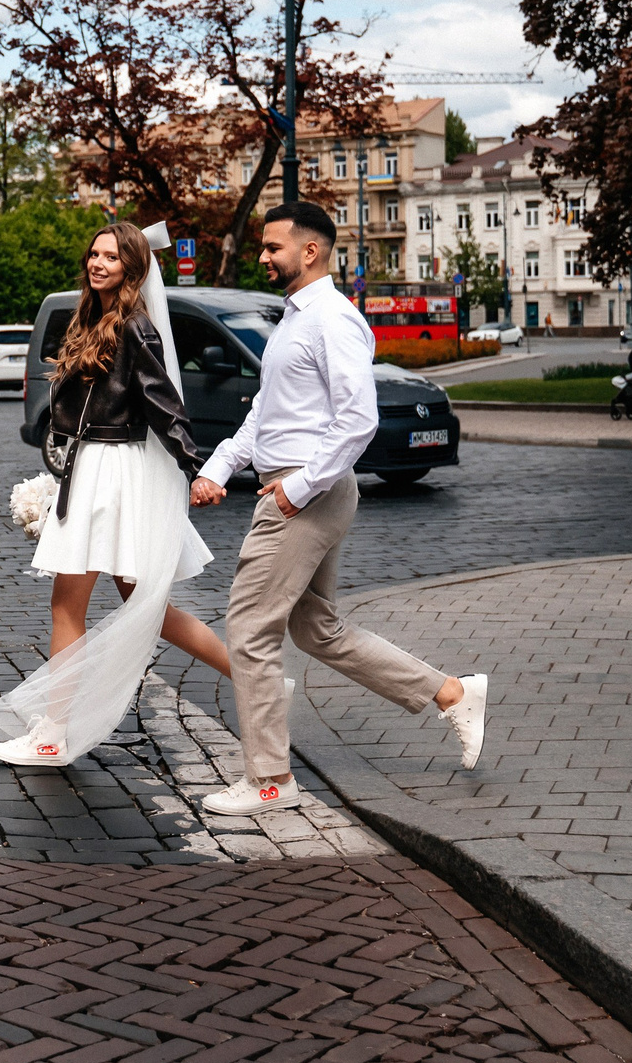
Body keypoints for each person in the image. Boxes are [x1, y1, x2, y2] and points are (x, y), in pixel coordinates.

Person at [190, 203, 487, 814]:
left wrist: (298, 489)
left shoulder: (334, 320)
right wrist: (219, 467)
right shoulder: (294, 320)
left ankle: (270, 780)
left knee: (248, 630)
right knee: (315, 627)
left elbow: (358, 421)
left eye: (273, 247)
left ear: (311, 251)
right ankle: (452, 693)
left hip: (305, 493)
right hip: (296, 486)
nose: (263, 256)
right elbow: (266, 415)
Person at [0, 221, 232, 767]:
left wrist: (197, 468)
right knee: (148, 607)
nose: (98, 263)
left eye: (111, 257)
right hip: (94, 467)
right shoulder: (94, 317)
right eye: (94, 254)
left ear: (132, 268)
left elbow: (165, 405)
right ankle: (258, 679)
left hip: (110, 473)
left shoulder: (135, 328)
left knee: (70, 603)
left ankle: (51, 735)